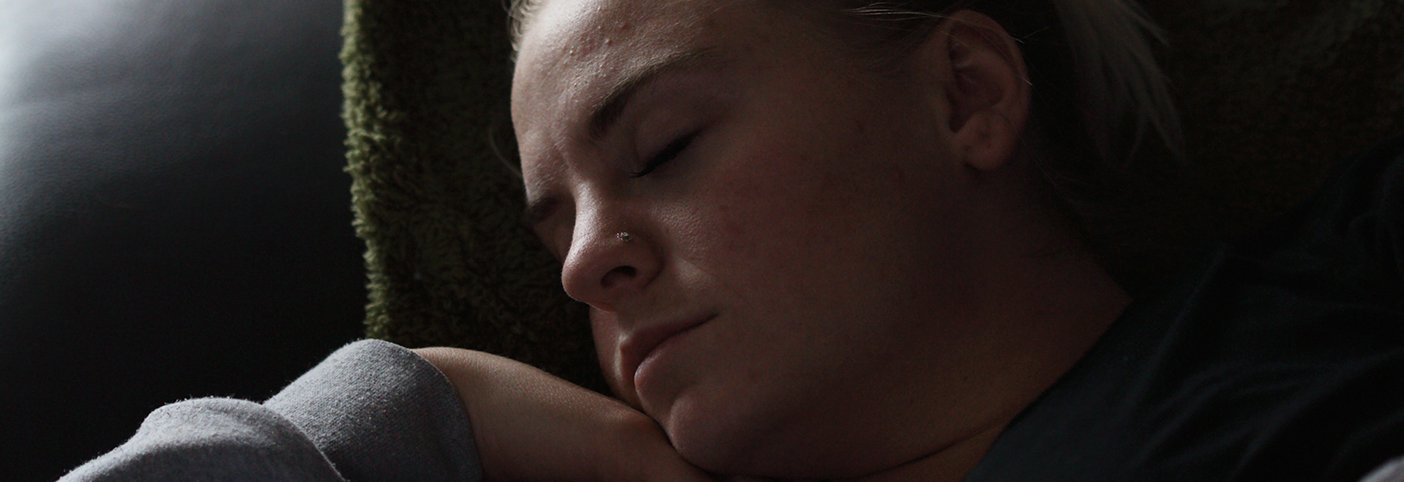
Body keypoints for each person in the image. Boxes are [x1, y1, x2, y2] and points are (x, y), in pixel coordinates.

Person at [61, 0, 1404, 481]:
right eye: (554, 231)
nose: (588, 263)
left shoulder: (1316, 296)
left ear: (966, 95)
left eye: (663, 150)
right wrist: (412, 401)